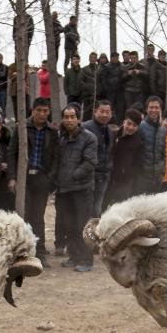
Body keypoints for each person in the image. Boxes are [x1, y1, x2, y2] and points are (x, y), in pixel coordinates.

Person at [8, 97, 58, 267]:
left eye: (45, 111)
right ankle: (21, 252)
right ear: (32, 110)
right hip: (24, 179)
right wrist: (13, 177)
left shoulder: (52, 131)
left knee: (38, 217)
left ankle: (40, 252)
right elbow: (11, 153)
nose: (42, 114)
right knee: (23, 215)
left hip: (42, 178)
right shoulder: (21, 128)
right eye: (39, 110)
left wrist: (50, 178)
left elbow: (55, 158)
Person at [55, 104, 97, 272]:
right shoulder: (61, 138)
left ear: (79, 119)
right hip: (64, 190)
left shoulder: (89, 138)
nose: (69, 120)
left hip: (82, 189)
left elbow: (90, 162)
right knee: (69, 224)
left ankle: (87, 259)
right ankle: (74, 256)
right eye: (66, 117)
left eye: (73, 117)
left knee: (83, 225)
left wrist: (73, 175)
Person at [104, 109, 144, 207]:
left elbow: (137, 163)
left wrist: (129, 174)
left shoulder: (138, 142)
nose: (130, 127)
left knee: (119, 208)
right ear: (123, 122)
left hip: (124, 182)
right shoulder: (112, 134)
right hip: (108, 178)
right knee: (102, 207)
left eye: (134, 125)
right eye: (129, 123)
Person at [82, 100, 114, 216]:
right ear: (95, 111)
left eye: (107, 112)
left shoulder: (109, 131)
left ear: (111, 114)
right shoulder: (86, 127)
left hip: (104, 175)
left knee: (98, 206)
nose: (105, 115)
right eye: (102, 111)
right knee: (87, 206)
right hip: (90, 174)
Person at [136, 97, 165, 194]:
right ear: (146, 109)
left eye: (156, 107)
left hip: (157, 177)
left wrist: (162, 172)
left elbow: (163, 153)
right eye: (151, 107)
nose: (154, 110)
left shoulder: (162, 130)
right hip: (142, 176)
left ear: (160, 109)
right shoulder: (140, 127)